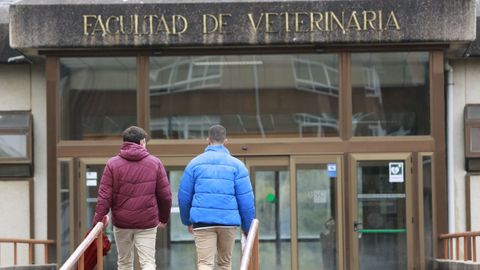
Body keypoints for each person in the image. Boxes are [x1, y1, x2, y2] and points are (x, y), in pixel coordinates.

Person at [92, 126, 172, 270]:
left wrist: (97, 223)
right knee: (147, 261)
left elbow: (104, 197)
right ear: (142, 142)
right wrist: (163, 218)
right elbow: (165, 196)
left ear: (124, 143)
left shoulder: (112, 164)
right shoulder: (155, 163)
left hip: (122, 222)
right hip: (147, 221)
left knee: (124, 262)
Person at [178, 124, 255, 270]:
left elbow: (184, 197)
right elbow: (246, 200)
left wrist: (187, 220)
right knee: (224, 264)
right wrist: (247, 227)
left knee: (205, 263)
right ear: (226, 141)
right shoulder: (237, 165)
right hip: (228, 221)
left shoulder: (194, 164)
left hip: (202, 221)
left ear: (208, 140)